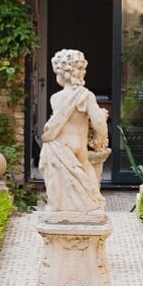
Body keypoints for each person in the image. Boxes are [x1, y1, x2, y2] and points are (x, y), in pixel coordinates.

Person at [39, 48, 109, 218]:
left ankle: (59, 208)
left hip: (57, 147)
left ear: (62, 74)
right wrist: (102, 137)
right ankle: (91, 206)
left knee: (58, 185)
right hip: (78, 148)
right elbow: (98, 122)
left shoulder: (55, 98)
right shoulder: (86, 96)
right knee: (87, 174)